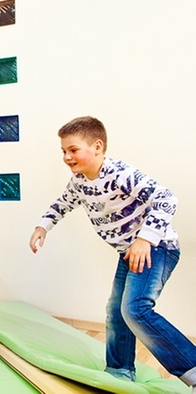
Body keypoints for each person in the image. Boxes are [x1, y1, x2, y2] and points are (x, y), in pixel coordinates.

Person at [29, 116, 196, 390]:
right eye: (64, 151)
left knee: (135, 309)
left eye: (73, 150)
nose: (67, 157)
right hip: (129, 253)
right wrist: (42, 227)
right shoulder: (79, 182)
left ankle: (192, 369)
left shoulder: (120, 174)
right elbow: (62, 203)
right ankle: (119, 371)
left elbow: (166, 198)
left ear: (97, 147)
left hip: (157, 248)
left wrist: (145, 239)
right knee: (116, 311)